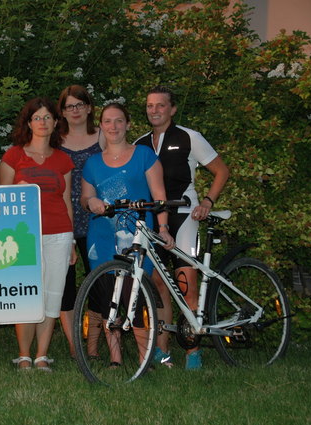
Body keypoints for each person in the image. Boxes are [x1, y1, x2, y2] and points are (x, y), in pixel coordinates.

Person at [134, 85, 229, 370]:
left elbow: (222, 171)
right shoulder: (140, 143)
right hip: (156, 219)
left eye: (160, 105)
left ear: (172, 109)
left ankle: (193, 351)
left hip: (185, 214)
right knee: (160, 284)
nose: (154, 110)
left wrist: (208, 202)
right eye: (150, 105)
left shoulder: (190, 137)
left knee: (186, 284)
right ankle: (162, 351)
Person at [80, 102, 174, 365]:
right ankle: (116, 358)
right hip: (101, 239)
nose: (113, 126)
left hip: (137, 238)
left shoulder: (144, 155)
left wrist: (164, 228)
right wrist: (91, 203)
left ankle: (145, 358)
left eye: (119, 121)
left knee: (139, 298)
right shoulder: (92, 163)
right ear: (101, 126)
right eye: (107, 121)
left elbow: (159, 197)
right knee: (111, 298)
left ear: (128, 124)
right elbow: (85, 197)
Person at [0, 97, 77, 372]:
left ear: (56, 122)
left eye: (47, 117)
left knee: (52, 296)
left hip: (59, 234)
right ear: (28, 123)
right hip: (23, 236)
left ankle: (42, 355)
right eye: (37, 117)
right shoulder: (13, 156)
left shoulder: (63, 159)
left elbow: (67, 201)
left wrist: (72, 242)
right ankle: (23, 355)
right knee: (27, 295)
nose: (42, 122)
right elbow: (1, 201)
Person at [56, 85, 105, 357]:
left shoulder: (103, 136)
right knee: (65, 286)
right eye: (68, 106)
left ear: (89, 107)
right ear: (61, 112)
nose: (74, 110)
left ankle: (95, 345)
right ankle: (76, 345)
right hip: (62, 220)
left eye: (79, 104)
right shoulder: (54, 139)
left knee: (99, 283)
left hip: (97, 220)